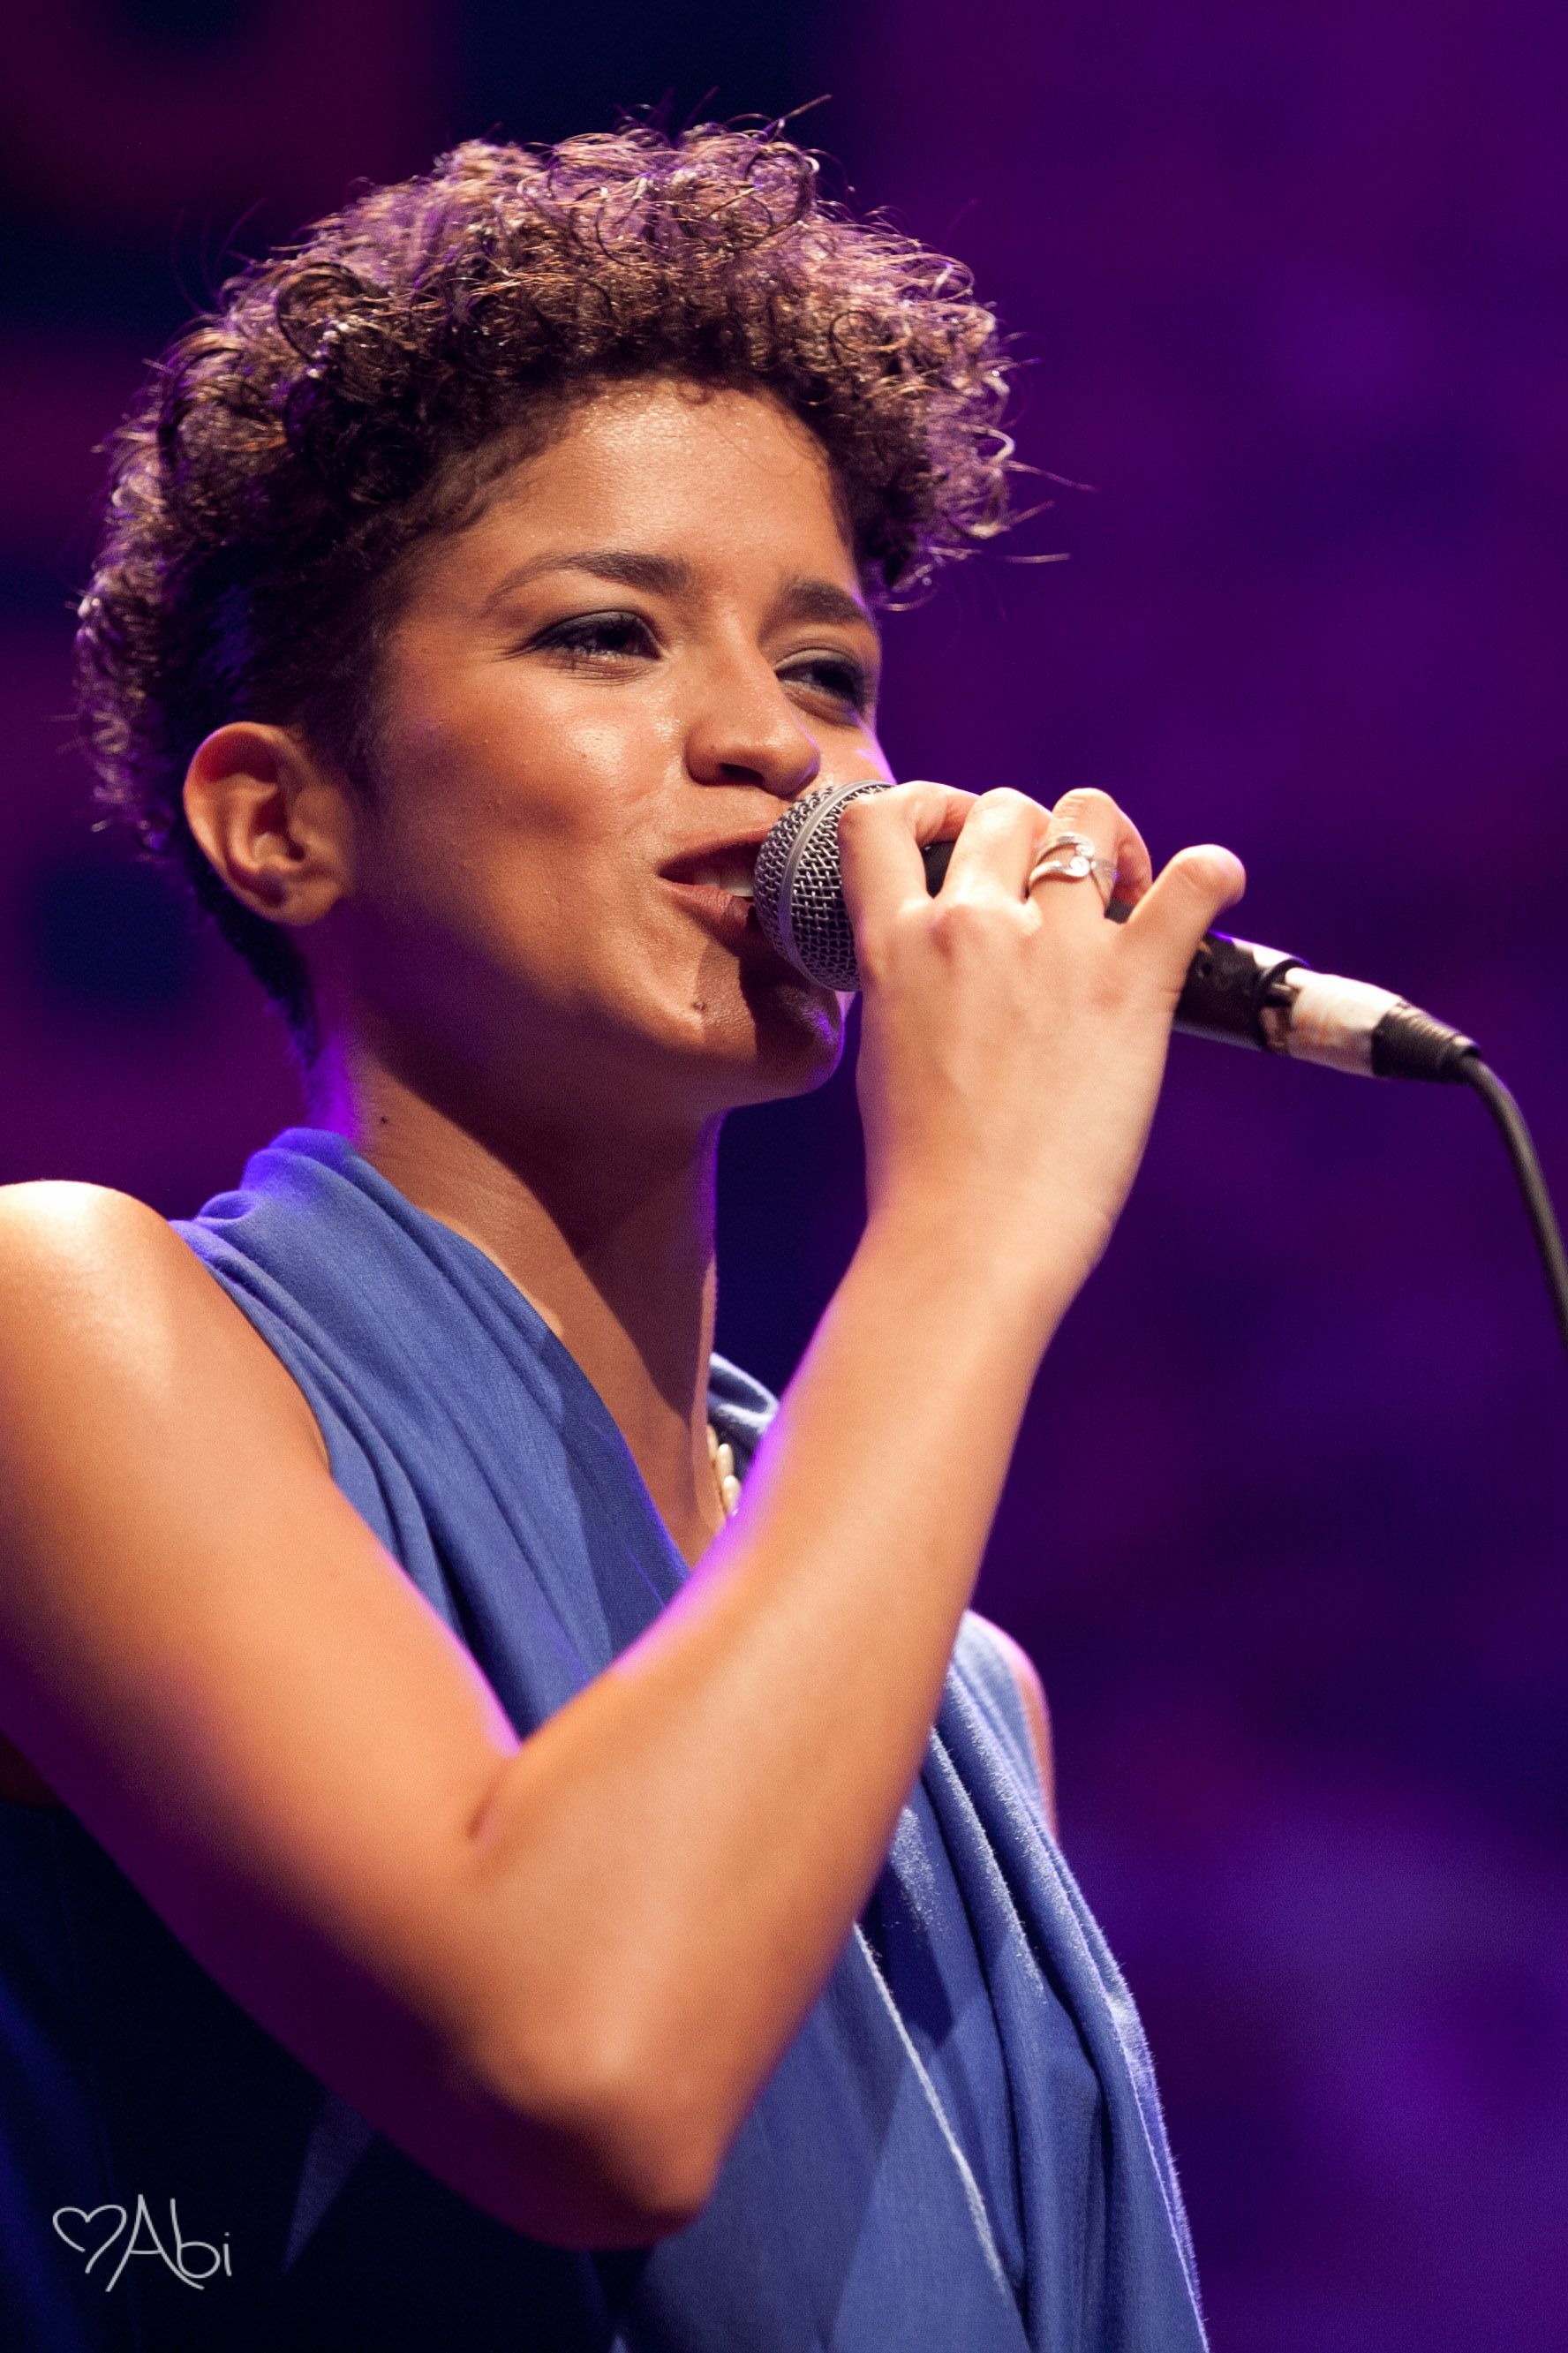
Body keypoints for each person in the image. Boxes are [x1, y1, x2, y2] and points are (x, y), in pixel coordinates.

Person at [0, 126, 1241, 2350]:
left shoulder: (964, 1700)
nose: (775, 745)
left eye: (831, 672)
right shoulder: (58, 1319)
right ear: (278, 818)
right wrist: (973, 1222)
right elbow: (580, 2061)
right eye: (606, 633)